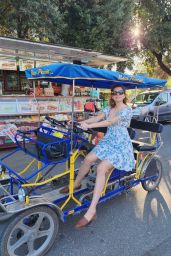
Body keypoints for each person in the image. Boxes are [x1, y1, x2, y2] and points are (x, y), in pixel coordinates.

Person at [60, 84, 135, 229]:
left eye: (120, 92)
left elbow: (109, 122)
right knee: (87, 159)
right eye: (114, 92)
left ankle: (92, 210)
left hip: (120, 145)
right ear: (112, 95)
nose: (117, 94)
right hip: (108, 141)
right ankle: (76, 184)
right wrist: (81, 123)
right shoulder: (109, 108)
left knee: (101, 168)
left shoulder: (127, 110)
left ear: (124, 95)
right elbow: (97, 118)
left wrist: (90, 126)